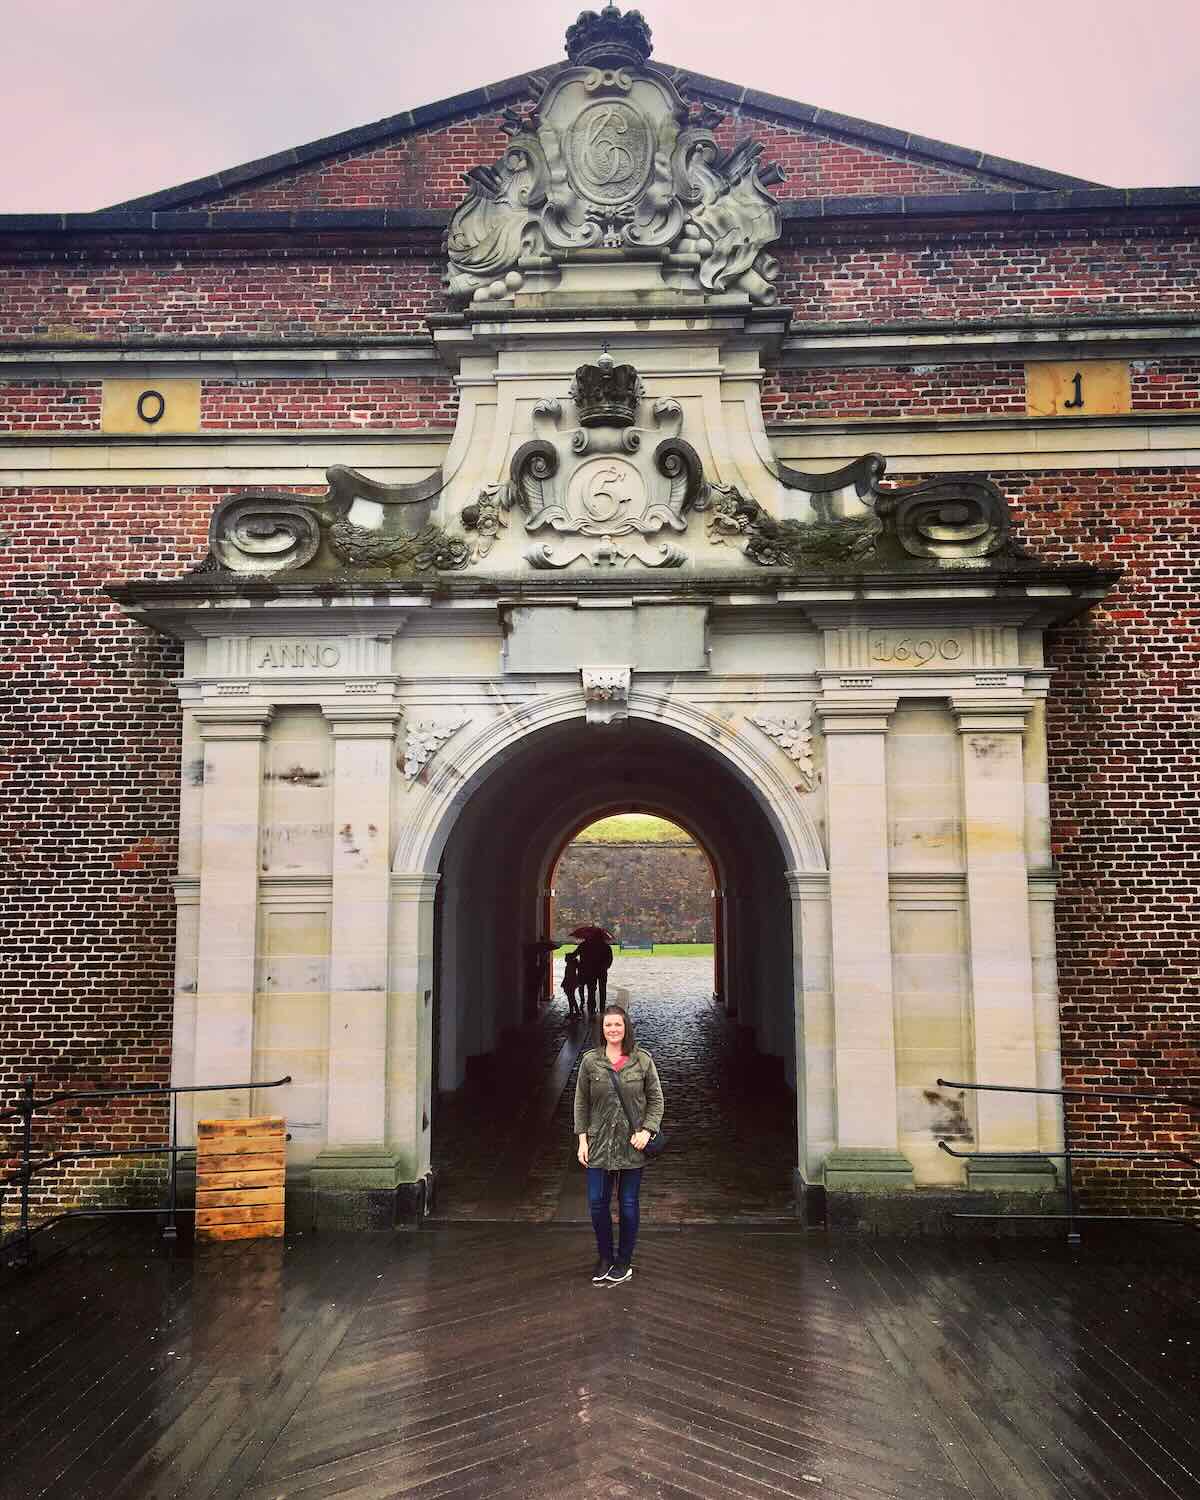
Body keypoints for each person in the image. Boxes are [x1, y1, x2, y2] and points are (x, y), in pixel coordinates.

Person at [573, 1003, 664, 1285]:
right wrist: (582, 1139)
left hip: (631, 1145)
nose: (613, 1029)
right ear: (601, 1029)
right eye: (608, 1025)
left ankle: (624, 1261)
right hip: (599, 1143)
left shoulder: (642, 1061)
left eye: (618, 1025)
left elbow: (656, 1100)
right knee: (597, 1203)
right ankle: (605, 1257)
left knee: (627, 1204)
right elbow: (581, 1102)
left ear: (626, 1028)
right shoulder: (590, 1062)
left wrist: (647, 1131)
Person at [575, 932, 613, 1018]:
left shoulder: (585, 945)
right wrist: (605, 967)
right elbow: (610, 959)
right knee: (602, 989)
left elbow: (575, 954)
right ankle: (602, 1007)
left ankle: (591, 1007)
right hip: (602, 971)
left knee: (591, 989)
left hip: (591, 971)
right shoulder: (606, 947)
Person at [561, 951, 581, 1017]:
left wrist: (564, 984)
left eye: (566, 957)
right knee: (572, 998)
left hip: (570, 983)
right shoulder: (572, 965)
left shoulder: (570, 966)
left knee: (571, 998)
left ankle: (573, 1012)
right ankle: (575, 1011)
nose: (565, 959)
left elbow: (568, 976)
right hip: (572, 983)